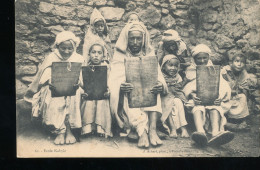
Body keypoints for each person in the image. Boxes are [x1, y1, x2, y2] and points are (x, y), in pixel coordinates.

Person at [109, 22, 168, 148]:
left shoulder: (149, 54)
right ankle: (142, 132)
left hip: (147, 95)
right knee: (130, 93)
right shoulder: (120, 55)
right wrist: (120, 85)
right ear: (127, 39)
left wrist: (160, 85)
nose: (135, 42)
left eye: (138, 38)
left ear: (144, 39)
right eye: (132, 38)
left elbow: (159, 77)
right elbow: (114, 79)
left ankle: (152, 129)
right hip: (128, 97)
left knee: (154, 90)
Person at [24, 31, 84, 145]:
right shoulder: (51, 57)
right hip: (53, 86)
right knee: (53, 94)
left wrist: (78, 82)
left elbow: (83, 77)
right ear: (58, 46)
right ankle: (60, 130)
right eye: (63, 48)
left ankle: (69, 129)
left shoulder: (79, 58)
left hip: (73, 86)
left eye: (70, 48)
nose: (66, 51)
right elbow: (44, 77)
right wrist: (50, 81)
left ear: (74, 47)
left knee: (76, 93)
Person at [183, 44, 234, 146]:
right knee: (198, 108)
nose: (202, 61)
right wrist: (192, 95)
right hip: (197, 99)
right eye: (199, 58)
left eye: (204, 58)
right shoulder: (190, 71)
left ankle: (215, 133)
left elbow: (223, 85)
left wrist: (219, 96)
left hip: (212, 97)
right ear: (194, 59)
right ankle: (200, 133)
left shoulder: (214, 70)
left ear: (208, 57)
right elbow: (187, 87)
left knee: (215, 107)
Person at [80, 42, 112, 138]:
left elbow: (111, 81)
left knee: (102, 102)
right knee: (88, 102)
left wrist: (108, 91)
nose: (96, 55)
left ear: (103, 55)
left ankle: (101, 128)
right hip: (88, 95)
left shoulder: (108, 68)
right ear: (89, 54)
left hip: (103, 95)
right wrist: (83, 92)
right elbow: (81, 82)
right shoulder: (84, 67)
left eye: (99, 53)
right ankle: (87, 128)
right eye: (93, 52)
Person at [221, 52, 257, 131]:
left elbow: (245, 87)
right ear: (231, 62)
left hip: (236, 94)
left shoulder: (244, 74)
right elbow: (222, 84)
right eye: (237, 61)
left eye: (242, 62)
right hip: (226, 94)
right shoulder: (225, 71)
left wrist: (241, 89)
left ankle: (240, 119)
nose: (239, 64)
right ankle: (227, 121)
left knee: (243, 97)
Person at [160, 54, 190, 138]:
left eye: (176, 66)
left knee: (178, 102)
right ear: (163, 66)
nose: (173, 68)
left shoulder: (177, 77)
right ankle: (173, 128)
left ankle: (183, 129)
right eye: (170, 65)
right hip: (164, 98)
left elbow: (179, 89)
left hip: (174, 96)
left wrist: (183, 99)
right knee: (168, 105)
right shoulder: (161, 77)